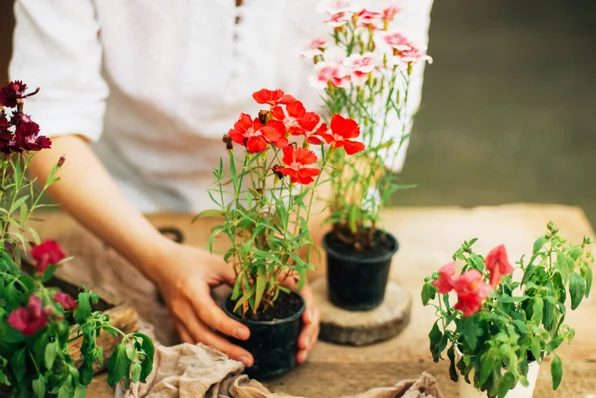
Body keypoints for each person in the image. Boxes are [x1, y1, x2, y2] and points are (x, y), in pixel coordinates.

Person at [9, 0, 434, 368]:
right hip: (126, 207)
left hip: (305, 208)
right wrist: (158, 259)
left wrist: (280, 248)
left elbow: (374, 125)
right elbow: (44, 121)